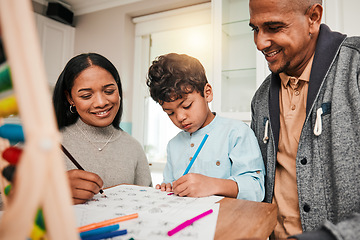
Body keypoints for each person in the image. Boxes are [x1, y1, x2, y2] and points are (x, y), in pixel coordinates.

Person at [249, 0, 360, 239]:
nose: (260, 43)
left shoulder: (356, 67)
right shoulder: (260, 99)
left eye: (274, 27)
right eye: (255, 29)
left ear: (314, 18)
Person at [146, 53, 265, 201]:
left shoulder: (236, 133)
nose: (180, 117)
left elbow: (256, 189)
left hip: (227, 221)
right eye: (170, 113)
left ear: (207, 93)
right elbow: (171, 185)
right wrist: (167, 188)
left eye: (186, 105)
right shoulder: (173, 145)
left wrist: (212, 185)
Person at [53, 53, 152, 204]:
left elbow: (148, 205)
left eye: (109, 91)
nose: (101, 102)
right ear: (70, 98)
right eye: (86, 95)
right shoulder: (46, 143)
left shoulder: (133, 148)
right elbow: (3, 201)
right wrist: (51, 191)